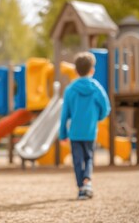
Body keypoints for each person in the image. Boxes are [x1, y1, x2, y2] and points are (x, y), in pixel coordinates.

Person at [59, 52, 111, 200]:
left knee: (77, 160)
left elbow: (65, 114)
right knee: (89, 158)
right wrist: (97, 118)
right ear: (92, 70)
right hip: (90, 131)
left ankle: (81, 188)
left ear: (75, 71)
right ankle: (87, 182)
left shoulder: (70, 89)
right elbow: (106, 108)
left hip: (74, 132)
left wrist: (63, 133)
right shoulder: (96, 88)